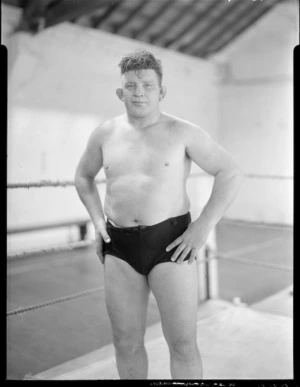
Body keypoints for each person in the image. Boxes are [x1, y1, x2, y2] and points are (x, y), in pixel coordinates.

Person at [75, 50, 244, 380]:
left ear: (161, 92)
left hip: (172, 244)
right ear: (120, 92)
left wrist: (203, 226)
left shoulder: (184, 132)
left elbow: (231, 172)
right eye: (132, 85)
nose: (139, 92)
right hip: (119, 247)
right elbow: (83, 176)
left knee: (182, 344)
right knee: (125, 343)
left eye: (148, 85)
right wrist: (97, 221)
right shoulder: (105, 134)